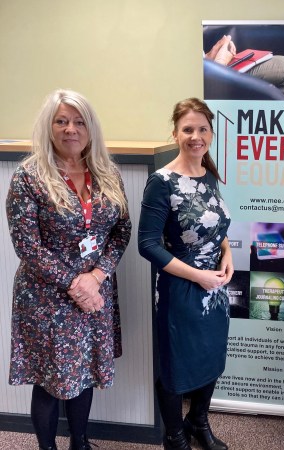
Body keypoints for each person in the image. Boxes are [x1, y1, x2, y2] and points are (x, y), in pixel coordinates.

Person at [6, 89, 132, 450]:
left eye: (79, 122)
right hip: (47, 298)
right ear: (49, 127)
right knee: (50, 380)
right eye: (61, 121)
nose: (70, 129)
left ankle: (80, 442)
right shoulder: (28, 177)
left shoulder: (107, 173)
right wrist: (76, 284)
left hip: (95, 292)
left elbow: (122, 230)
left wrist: (96, 277)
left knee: (85, 372)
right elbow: (27, 246)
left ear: (90, 128)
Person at [138, 98, 233, 450]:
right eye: (188, 129)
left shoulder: (208, 174)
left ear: (211, 133)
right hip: (180, 289)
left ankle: (198, 421)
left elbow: (216, 225)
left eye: (202, 129)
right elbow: (148, 245)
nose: (196, 136)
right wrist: (198, 276)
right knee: (176, 366)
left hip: (215, 289)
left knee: (211, 356)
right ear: (175, 133)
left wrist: (227, 253)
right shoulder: (162, 182)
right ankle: (175, 437)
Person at [205, 35, 284, 100]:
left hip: (208, 66)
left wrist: (211, 54)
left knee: (282, 62)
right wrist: (220, 62)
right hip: (212, 76)